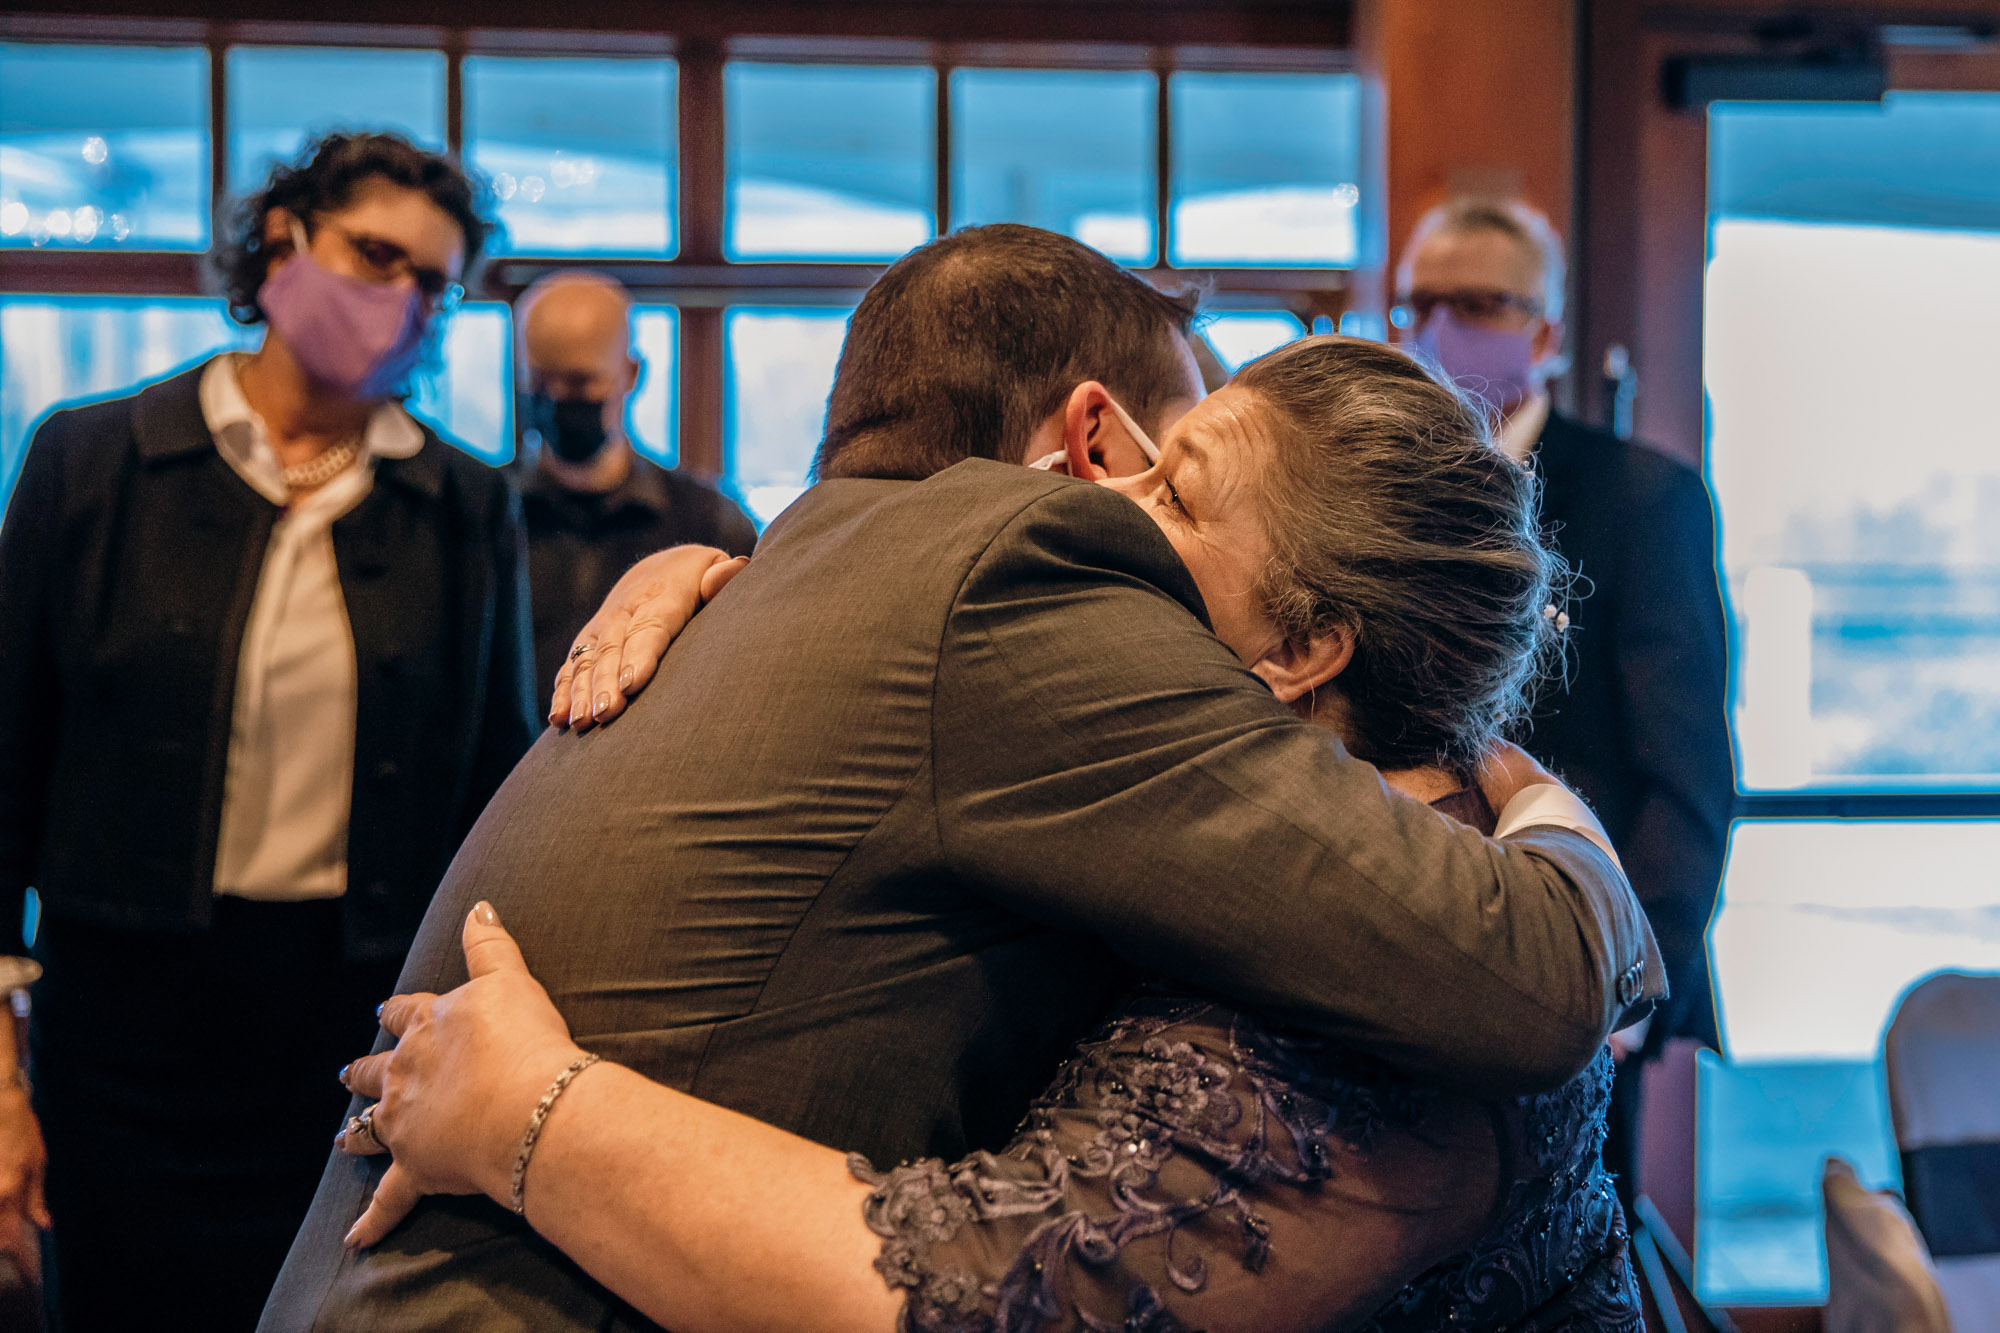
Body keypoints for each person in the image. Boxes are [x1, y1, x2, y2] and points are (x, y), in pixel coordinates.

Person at [262, 225, 1658, 1331]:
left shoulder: (1336, 897)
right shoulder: (1019, 612)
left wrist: (540, 1114)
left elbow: (1003, 1284)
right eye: (1148, 473)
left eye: (1177, 493)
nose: (1120, 510)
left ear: (1305, 643)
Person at [0, 131, 538, 1331]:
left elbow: (493, 786)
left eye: (431, 282)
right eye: (375, 256)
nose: (398, 299)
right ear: (285, 237)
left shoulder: (461, 504)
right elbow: (3, 765)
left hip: (343, 1033)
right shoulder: (92, 460)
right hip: (118, 1026)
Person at [1398, 197, 1735, 1205]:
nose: (1437, 330)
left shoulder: (1640, 496)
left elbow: (1686, 773)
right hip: (1413, 938)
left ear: (1541, 330)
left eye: (1476, 303)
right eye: (1418, 304)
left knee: (1578, 1246)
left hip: (1581, 951)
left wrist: (1628, 983)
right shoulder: (1387, 490)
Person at [514, 271, 756, 692]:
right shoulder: (482, 513)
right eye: (540, 380)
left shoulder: (709, 522)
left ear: (630, 373)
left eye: (579, 381)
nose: (555, 398)